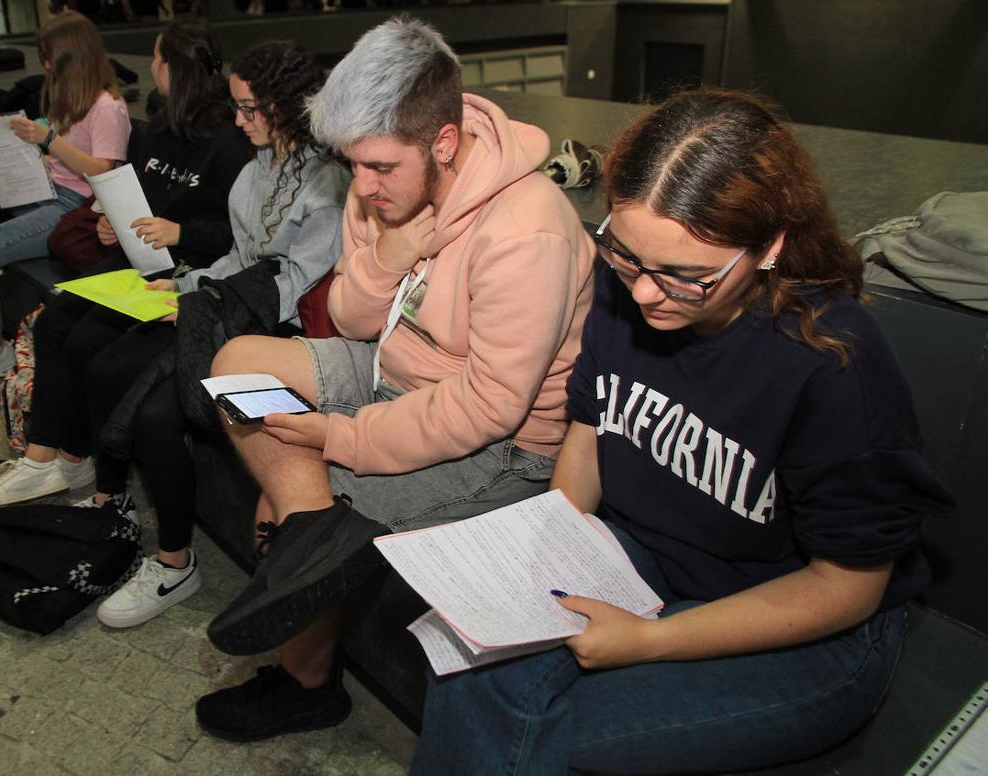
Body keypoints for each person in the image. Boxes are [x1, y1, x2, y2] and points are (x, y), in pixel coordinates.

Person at [410, 88, 956, 774]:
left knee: (551, 737)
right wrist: (548, 545)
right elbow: (589, 424)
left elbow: (845, 587)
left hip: (802, 621)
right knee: (469, 655)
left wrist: (648, 641)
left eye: (687, 276)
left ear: (771, 245)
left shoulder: (832, 363)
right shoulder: (630, 280)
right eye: (625, 256)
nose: (643, 293)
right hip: (647, 556)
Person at [195, 17, 593, 741]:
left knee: (308, 483)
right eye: (354, 166)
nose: (365, 186)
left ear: (443, 142)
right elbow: (348, 318)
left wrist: (340, 438)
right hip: (393, 368)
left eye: (381, 167)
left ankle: (305, 680)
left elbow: (490, 406)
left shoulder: (526, 228)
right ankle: (309, 528)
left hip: (504, 442)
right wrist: (387, 255)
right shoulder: (378, 183)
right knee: (235, 362)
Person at [0, 40, 349, 636]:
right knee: (103, 363)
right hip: (224, 309)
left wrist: (199, 299)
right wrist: (185, 285)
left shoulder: (328, 184)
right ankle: (107, 501)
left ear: (287, 108)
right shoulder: (259, 168)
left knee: (152, 412)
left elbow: (290, 282)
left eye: (251, 109)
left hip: (275, 333)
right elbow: (236, 256)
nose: (239, 119)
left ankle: (175, 562)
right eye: (237, 107)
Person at [0, 16, 250, 505]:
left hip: (187, 273)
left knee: (84, 340)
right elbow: (141, 190)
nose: (153, 66)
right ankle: (41, 458)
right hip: (144, 256)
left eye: (158, 56)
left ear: (172, 67)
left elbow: (240, 236)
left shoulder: (230, 142)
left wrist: (179, 231)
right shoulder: (166, 124)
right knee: (56, 319)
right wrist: (114, 220)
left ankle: (75, 458)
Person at [0, 11, 129, 384]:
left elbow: (103, 172)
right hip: (47, 185)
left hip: (71, 206)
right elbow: (61, 157)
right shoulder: (69, 95)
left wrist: (46, 141)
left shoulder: (107, 107)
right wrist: (21, 164)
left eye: (50, 57)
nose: (45, 64)